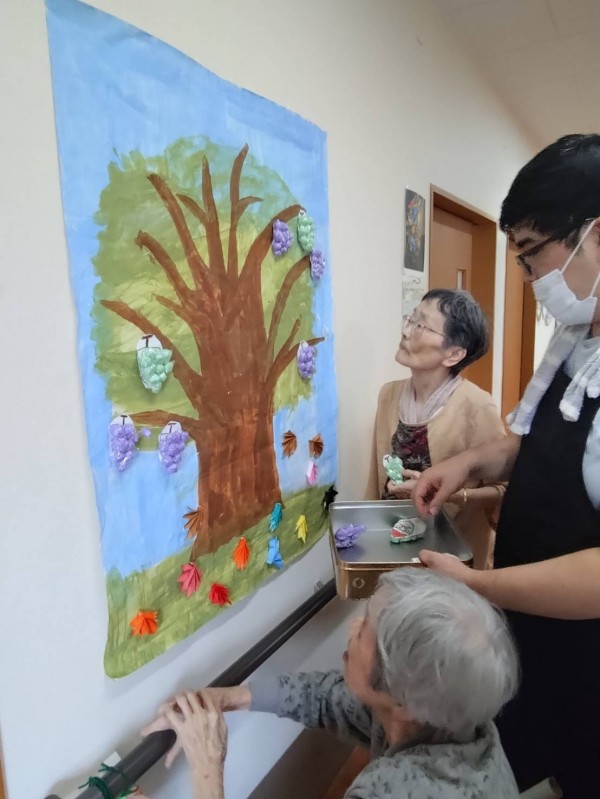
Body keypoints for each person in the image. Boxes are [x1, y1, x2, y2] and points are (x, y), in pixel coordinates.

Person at [413, 134, 600, 797]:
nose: (527, 277)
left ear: (595, 235)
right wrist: (468, 461)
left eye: (531, 254)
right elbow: (530, 443)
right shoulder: (574, 341)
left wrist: (481, 584)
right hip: (530, 630)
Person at [142, 569, 520, 799]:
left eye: (365, 629)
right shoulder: (448, 717)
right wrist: (229, 698)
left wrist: (208, 771)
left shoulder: (392, 790)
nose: (352, 626)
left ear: (403, 699)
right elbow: (326, 698)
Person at [366, 288, 506, 568]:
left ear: (454, 354)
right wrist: (368, 534)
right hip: (394, 549)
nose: (406, 331)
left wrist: (454, 495)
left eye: (421, 326)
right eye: (411, 320)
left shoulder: (477, 406)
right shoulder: (389, 394)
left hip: (453, 559)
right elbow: (375, 479)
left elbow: (502, 490)